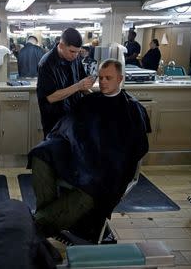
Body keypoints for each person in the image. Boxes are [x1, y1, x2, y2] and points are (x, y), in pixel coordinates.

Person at [28, 59, 151, 242]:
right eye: (100, 78)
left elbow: (132, 149)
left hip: (106, 167)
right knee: (41, 155)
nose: (102, 82)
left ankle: (37, 226)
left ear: (120, 79)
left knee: (93, 184)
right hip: (80, 156)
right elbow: (68, 129)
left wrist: (102, 157)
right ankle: (52, 220)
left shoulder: (131, 108)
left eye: (108, 78)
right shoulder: (90, 101)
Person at [36, 28, 95, 138]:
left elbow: (81, 83)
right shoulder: (46, 64)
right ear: (61, 45)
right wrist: (78, 86)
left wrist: (95, 97)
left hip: (74, 116)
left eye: (78, 52)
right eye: (72, 51)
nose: (75, 55)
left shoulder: (75, 57)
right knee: (56, 151)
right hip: (55, 121)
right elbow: (50, 97)